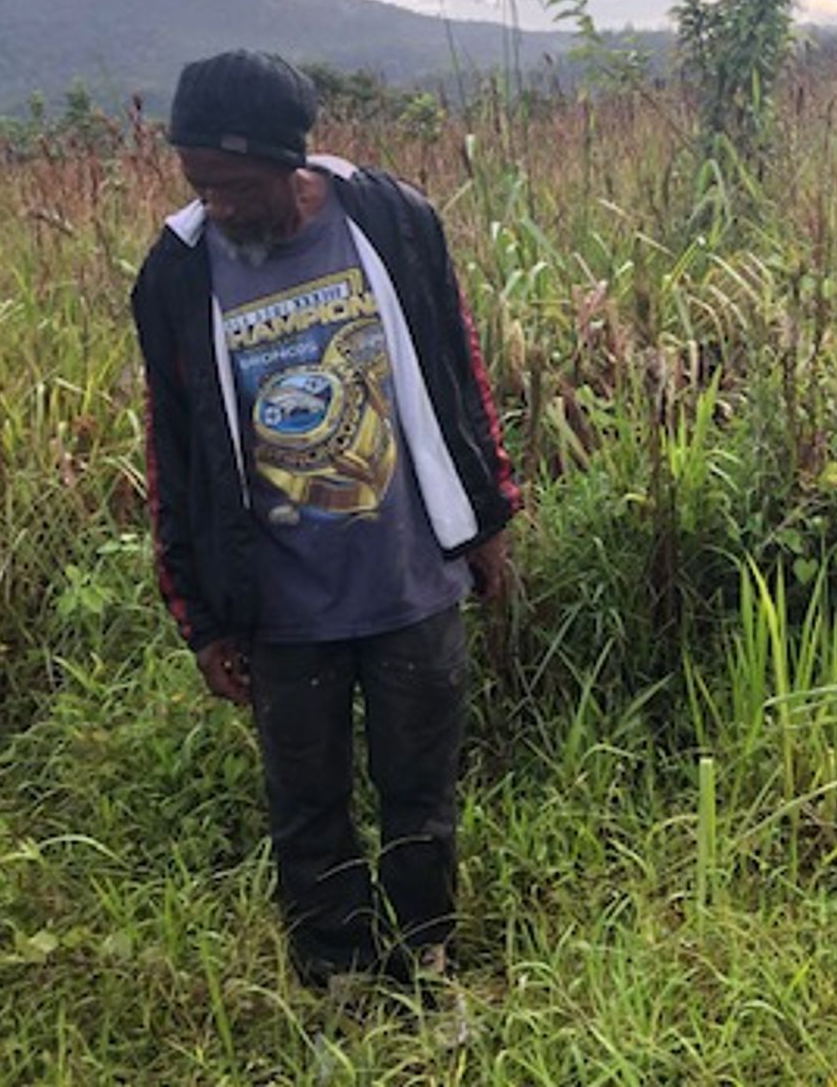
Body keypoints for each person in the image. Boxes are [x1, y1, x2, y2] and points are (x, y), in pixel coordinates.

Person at [131, 49, 518, 989]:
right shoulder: (176, 276)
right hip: (283, 609)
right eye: (199, 185)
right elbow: (173, 453)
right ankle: (338, 976)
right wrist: (202, 618)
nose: (217, 204)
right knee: (307, 808)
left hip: (412, 582)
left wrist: (490, 516)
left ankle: (424, 962)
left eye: (233, 185)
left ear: (287, 161)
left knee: (420, 799)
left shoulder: (390, 219)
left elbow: (456, 372)